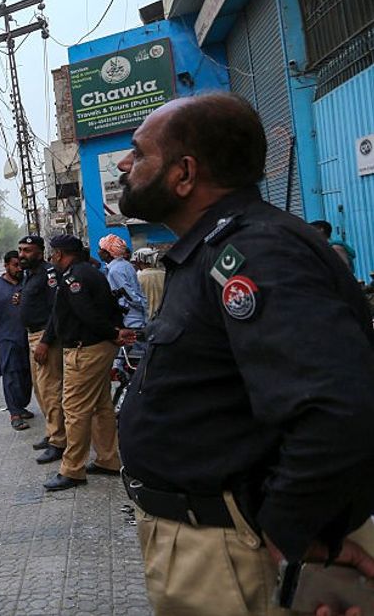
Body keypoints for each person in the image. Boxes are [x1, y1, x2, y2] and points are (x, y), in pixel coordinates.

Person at [115, 92, 374, 615]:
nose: (124, 164)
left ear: (184, 174)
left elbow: (336, 408)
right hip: (214, 545)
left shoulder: (253, 251)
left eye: (139, 153)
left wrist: (286, 530)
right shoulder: (209, 251)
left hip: (237, 555)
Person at [39, 234, 130, 491]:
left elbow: (86, 313)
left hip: (86, 350)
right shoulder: (85, 272)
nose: (51, 257)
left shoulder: (75, 277)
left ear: (61, 253)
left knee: (75, 409)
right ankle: (108, 459)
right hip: (96, 347)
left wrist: (113, 333)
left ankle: (72, 469)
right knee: (101, 406)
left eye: (53, 252)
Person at [19, 235, 66, 464]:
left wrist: (46, 342)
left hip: (45, 338)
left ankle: (59, 441)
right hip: (32, 335)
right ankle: (51, 432)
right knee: (40, 389)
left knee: (50, 390)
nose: (22, 254)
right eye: (21, 250)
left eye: (27, 250)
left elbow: (56, 310)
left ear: (39, 251)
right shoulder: (30, 274)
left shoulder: (49, 274)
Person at [0, 251, 33, 431]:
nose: (19, 269)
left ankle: (21, 404)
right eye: (15, 265)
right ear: (6, 265)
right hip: (5, 339)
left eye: (21, 266)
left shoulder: (28, 283)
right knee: (11, 375)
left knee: (27, 376)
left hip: (28, 337)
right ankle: (14, 413)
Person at [98, 234, 148, 330]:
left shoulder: (115, 271)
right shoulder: (125, 265)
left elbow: (128, 294)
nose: (98, 252)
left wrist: (138, 307)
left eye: (100, 249)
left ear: (107, 253)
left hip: (131, 320)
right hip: (136, 317)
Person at [130, 248, 164, 320]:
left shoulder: (137, 277)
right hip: (165, 316)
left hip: (147, 318)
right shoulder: (164, 275)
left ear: (139, 262)